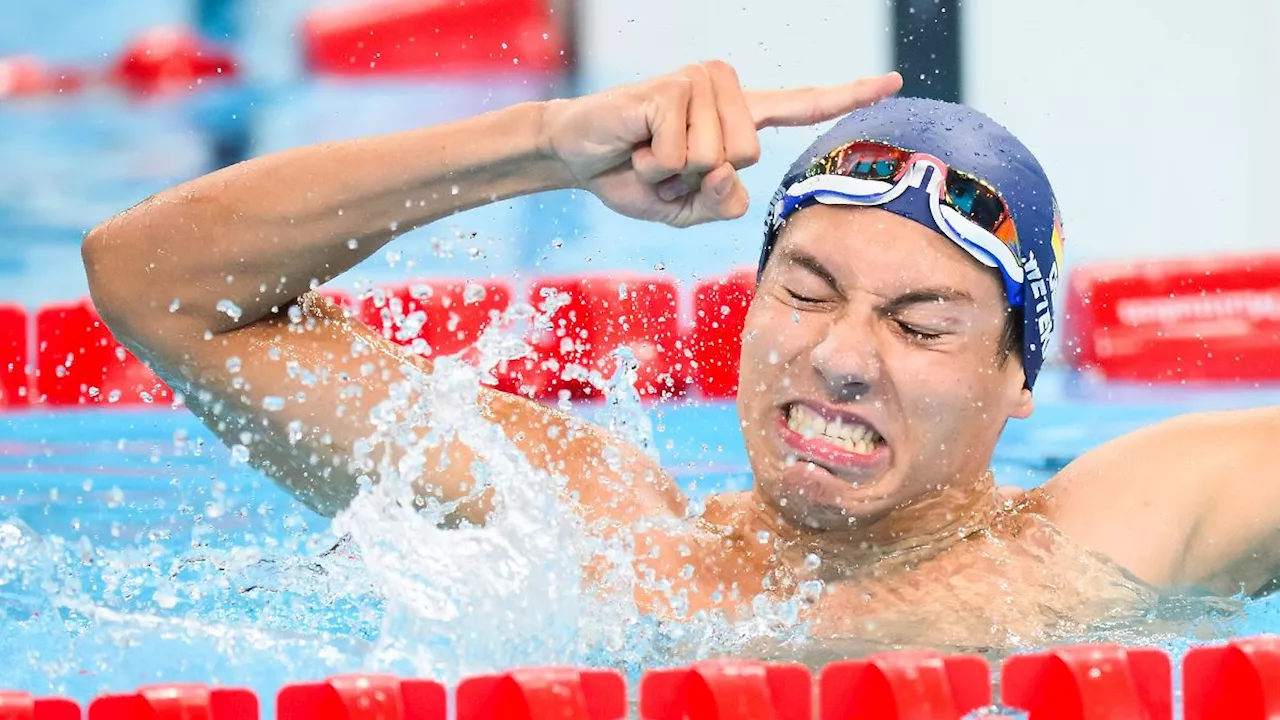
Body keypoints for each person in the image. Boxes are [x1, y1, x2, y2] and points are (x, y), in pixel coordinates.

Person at [82, 62, 1279, 650]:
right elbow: (156, 286)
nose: (840, 359)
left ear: (1021, 382)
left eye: (919, 326)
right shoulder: (606, 536)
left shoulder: (1116, 530)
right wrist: (541, 146)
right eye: (802, 294)